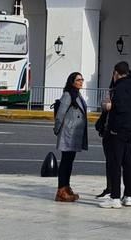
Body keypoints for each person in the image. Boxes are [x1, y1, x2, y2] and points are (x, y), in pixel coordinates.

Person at [98, 61, 131, 209]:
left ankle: (114, 198)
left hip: (117, 132)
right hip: (129, 131)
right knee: (128, 163)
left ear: (116, 73)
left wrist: (114, 128)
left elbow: (117, 110)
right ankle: (128, 196)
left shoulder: (118, 89)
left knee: (115, 163)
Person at [53, 72, 88, 202]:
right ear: (72, 81)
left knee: (69, 161)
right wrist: (57, 129)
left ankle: (66, 187)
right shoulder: (68, 95)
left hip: (74, 134)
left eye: (82, 79)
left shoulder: (77, 95)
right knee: (65, 161)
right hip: (68, 133)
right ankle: (61, 190)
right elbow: (60, 114)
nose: (81, 82)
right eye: (78, 80)